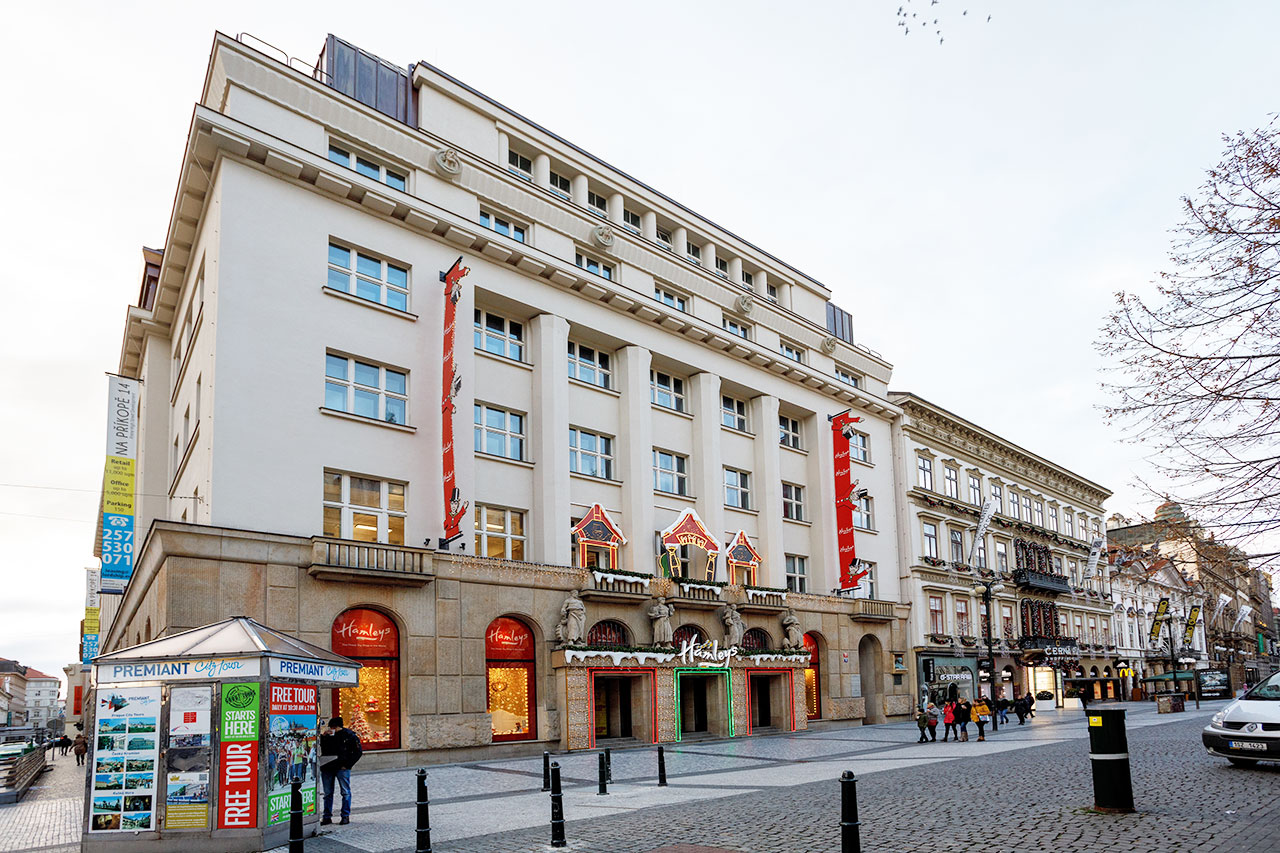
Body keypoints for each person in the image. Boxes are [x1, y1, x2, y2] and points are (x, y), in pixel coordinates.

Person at [320, 716, 362, 826]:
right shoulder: (327, 736)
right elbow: (321, 749)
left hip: (342, 768)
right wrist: (323, 738)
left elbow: (358, 752)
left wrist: (347, 765)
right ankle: (327, 817)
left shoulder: (349, 735)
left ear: (339, 727)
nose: (332, 729)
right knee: (327, 793)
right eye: (331, 727)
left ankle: (345, 816)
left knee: (345, 792)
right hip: (327, 767)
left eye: (334, 727)